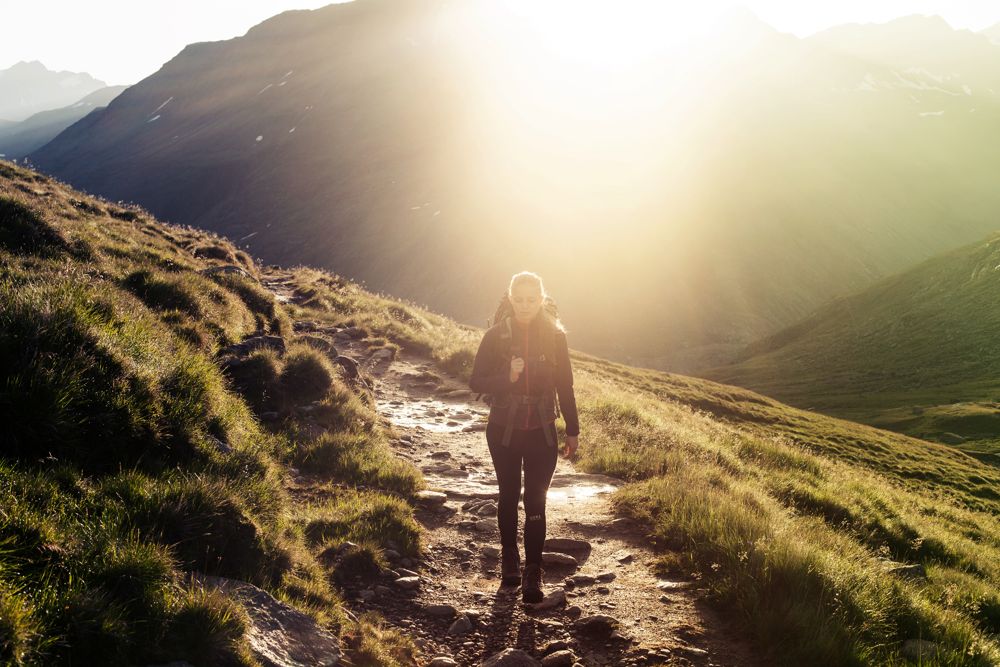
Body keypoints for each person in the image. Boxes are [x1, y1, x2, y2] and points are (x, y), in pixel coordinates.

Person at [469, 271, 580, 603]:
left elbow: (566, 387)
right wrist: (509, 376)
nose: (525, 306)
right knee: (508, 494)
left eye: (532, 299)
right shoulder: (495, 336)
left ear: (542, 299)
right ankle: (509, 559)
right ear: (510, 297)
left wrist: (572, 430)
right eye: (519, 299)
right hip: (503, 430)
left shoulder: (556, 338)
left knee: (536, 501)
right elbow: (476, 381)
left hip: (543, 431)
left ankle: (533, 572)